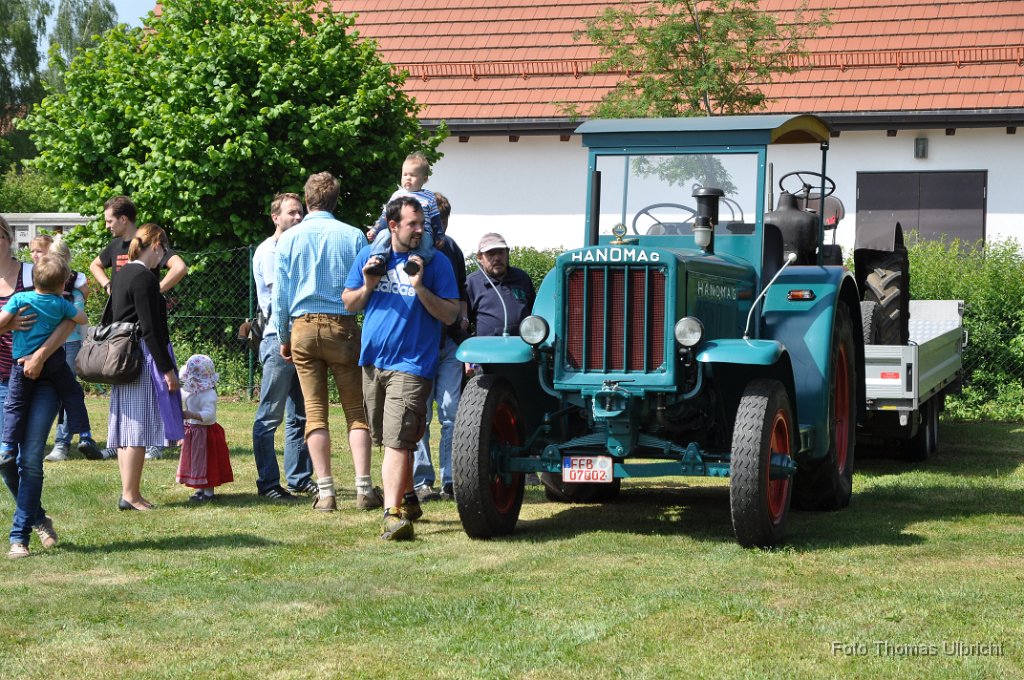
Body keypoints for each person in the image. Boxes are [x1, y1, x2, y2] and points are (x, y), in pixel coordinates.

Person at [343, 196, 460, 541]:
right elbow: (349, 303)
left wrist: (420, 286)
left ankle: (392, 513)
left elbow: (451, 314)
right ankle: (408, 496)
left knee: (397, 438)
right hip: (373, 361)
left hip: (412, 364)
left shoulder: (434, 264)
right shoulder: (371, 258)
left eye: (422, 224)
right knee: (389, 437)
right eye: (413, 224)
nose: (420, 230)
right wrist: (368, 284)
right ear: (392, 226)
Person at [274, 172, 377, 513]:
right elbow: (368, 286)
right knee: (355, 412)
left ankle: (327, 492)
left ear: (307, 201)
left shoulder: (289, 238)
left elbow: (282, 296)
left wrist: (283, 336)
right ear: (335, 200)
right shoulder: (354, 236)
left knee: (314, 413)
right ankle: (364, 489)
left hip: (302, 328)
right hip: (342, 327)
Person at [90, 195, 188, 460]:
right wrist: (109, 285)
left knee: (130, 409)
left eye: (110, 220)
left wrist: (156, 289)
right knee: (138, 413)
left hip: (130, 340)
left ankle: (144, 451)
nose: (108, 225)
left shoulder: (136, 262)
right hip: (135, 344)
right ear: (155, 247)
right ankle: (133, 481)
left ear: (124, 219)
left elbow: (180, 266)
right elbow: (150, 330)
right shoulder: (131, 264)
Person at [0, 215, 73, 558]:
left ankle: (19, 537)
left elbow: (68, 319)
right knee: (4, 459)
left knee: (30, 458)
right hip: (5, 381)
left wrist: (41, 355)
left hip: (42, 379)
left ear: (8, 238)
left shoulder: (34, 272)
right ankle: (39, 516)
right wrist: (6, 323)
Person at [106, 223, 182, 511]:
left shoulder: (123, 273)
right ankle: (132, 494)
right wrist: (168, 371)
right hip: (140, 356)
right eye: (163, 248)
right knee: (136, 427)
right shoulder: (146, 278)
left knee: (127, 427)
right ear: (156, 246)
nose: (164, 255)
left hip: (121, 356)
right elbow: (151, 330)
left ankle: (128, 491)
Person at [251, 193, 314, 499]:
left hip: (298, 338)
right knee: (269, 417)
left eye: (300, 212)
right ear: (275, 217)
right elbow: (283, 296)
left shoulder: (295, 247)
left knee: (300, 414)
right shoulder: (269, 251)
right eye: (291, 213)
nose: (298, 217)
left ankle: (299, 479)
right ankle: (267, 484)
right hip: (278, 339)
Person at [0, 255, 94, 464]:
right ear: (62, 285)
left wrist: (11, 324)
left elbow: (1, 322)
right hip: (54, 362)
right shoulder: (60, 303)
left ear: (34, 280)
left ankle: (6, 447)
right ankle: (85, 435)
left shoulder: (19, 299)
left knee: (15, 404)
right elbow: (82, 319)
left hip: (21, 363)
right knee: (72, 393)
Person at [410, 193, 468, 502]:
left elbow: (461, 293)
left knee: (451, 411)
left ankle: (451, 478)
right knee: (421, 415)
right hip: (422, 345)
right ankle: (423, 480)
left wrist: (461, 326)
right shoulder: (411, 252)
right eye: (435, 224)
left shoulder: (452, 250)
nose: (438, 230)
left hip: (447, 345)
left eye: (441, 223)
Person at [33, 235, 103, 461]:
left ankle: (64, 443)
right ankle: (82, 436)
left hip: (68, 342)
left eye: (62, 256)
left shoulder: (76, 282)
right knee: (54, 392)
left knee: (66, 390)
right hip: (43, 342)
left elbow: (79, 314)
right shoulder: (40, 277)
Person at [364, 152, 442, 277]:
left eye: (413, 175)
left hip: (422, 232)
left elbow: (435, 219)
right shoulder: (397, 195)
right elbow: (386, 215)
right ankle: (378, 260)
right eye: (405, 174)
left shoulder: (429, 197)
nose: (407, 178)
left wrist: (439, 236)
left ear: (425, 179)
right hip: (397, 231)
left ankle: (415, 262)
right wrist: (375, 229)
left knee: (427, 241)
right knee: (383, 235)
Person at [176, 354, 232, 502]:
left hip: (205, 433)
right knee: (195, 461)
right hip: (193, 432)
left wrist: (190, 414)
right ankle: (199, 489)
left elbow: (209, 415)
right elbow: (180, 395)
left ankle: (208, 492)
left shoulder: (209, 394)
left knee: (207, 462)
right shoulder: (189, 390)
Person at [465, 232, 537, 338]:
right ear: (480, 257)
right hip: (486, 350)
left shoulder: (522, 278)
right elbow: (462, 324)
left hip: (522, 348)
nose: (497, 258)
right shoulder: (472, 283)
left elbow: (534, 314)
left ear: (507, 253)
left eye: (501, 252)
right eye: (491, 254)